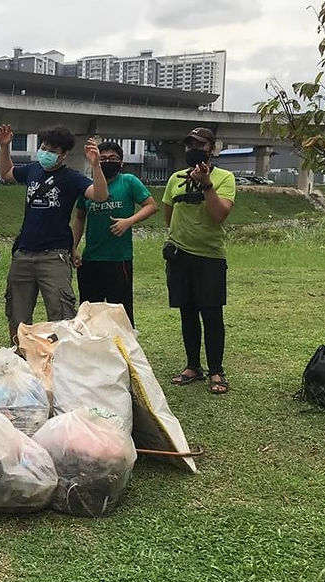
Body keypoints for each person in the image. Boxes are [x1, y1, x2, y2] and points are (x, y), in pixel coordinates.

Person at [0, 124, 107, 341]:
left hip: (54, 256)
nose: (45, 153)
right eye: (43, 147)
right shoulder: (32, 170)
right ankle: (21, 358)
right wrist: (4, 147)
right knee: (17, 314)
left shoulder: (71, 178)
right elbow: (7, 173)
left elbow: (100, 195)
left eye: (52, 150)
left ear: (64, 155)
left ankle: (61, 361)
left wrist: (96, 166)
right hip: (24, 254)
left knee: (61, 315)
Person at [162, 127, 236, 395]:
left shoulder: (225, 178)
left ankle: (216, 370)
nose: (193, 149)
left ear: (212, 149)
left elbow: (219, 215)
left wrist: (206, 184)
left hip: (210, 257)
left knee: (212, 314)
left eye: (200, 144)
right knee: (187, 312)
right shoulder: (175, 179)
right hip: (180, 256)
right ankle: (193, 366)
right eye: (189, 144)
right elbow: (169, 217)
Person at [71, 141, 158, 326]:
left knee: (121, 314)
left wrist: (129, 221)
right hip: (91, 259)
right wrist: (74, 247)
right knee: (89, 314)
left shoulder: (129, 181)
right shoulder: (88, 186)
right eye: (103, 159)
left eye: (113, 158)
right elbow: (79, 218)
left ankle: (124, 351)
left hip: (119, 260)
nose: (107, 162)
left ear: (121, 163)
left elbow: (151, 205)